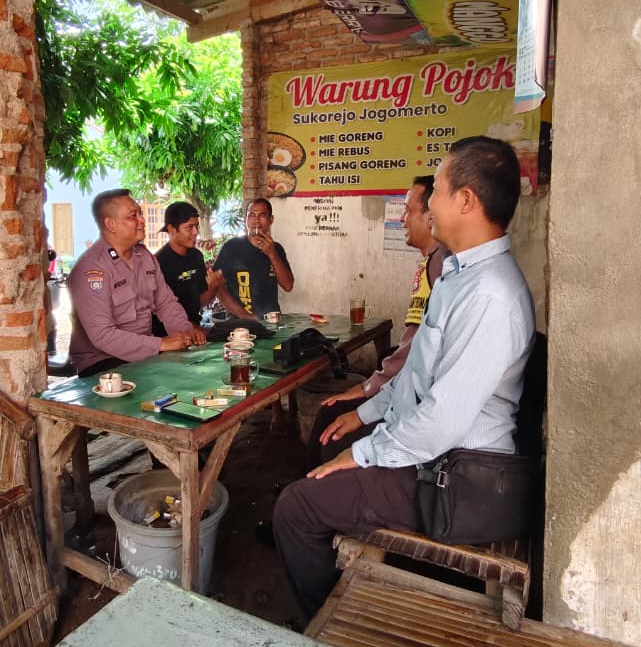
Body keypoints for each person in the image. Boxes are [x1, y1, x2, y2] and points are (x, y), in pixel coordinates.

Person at [272, 137, 536, 623]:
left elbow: (442, 421)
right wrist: (364, 414)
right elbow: (416, 375)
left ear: (465, 201)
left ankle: (330, 623)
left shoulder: (490, 296)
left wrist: (363, 453)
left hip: (457, 476)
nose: (427, 203)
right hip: (433, 453)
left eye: (435, 189)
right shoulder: (459, 276)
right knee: (333, 429)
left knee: (295, 507)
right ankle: (337, 576)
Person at [309, 174, 450, 464]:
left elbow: (418, 352)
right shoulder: (432, 262)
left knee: (330, 417)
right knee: (334, 410)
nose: (402, 219)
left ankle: (312, 484)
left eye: (409, 210)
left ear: (431, 216)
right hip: (400, 387)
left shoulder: (443, 264)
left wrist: (368, 388)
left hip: (412, 401)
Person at [68, 189, 207, 377]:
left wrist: (186, 332)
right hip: (102, 363)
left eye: (140, 213)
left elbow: (166, 303)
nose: (142, 220)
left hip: (145, 355)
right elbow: (103, 336)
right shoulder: (92, 269)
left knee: (199, 374)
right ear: (111, 224)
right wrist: (161, 344)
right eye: (133, 216)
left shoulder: (145, 257)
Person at [213, 198, 294, 320]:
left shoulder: (276, 249)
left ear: (271, 220)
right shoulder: (232, 247)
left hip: (271, 322)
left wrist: (272, 255)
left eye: (262, 215)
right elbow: (217, 287)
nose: (256, 220)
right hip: (240, 324)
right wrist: (245, 315)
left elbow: (288, 286)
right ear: (245, 220)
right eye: (251, 215)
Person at [152, 201, 225, 335]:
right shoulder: (158, 263)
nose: (196, 232)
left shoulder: (196, 256)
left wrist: (215, 286)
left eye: (197, 226)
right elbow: (162, 311)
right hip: (169, 336)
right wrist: (194, 329)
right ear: (171, 229)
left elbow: (199, 303)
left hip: (195, 330)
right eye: (189, 227)